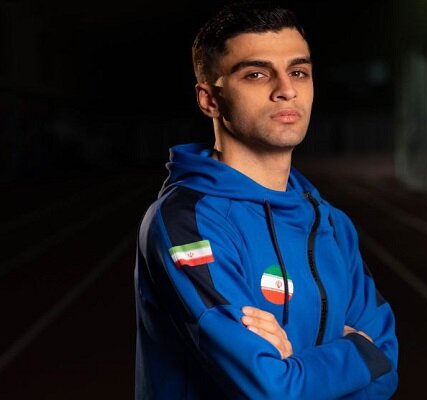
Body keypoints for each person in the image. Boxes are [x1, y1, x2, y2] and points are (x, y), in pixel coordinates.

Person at [134, 2, 398, 398]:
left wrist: (295, 364)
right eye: (257, 74)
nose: (286, 90)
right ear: (209, 100)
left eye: (298, 72)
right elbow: (269, 389)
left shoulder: (329, 222)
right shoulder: (187, 222)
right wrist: (358, 351)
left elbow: (386, 367)